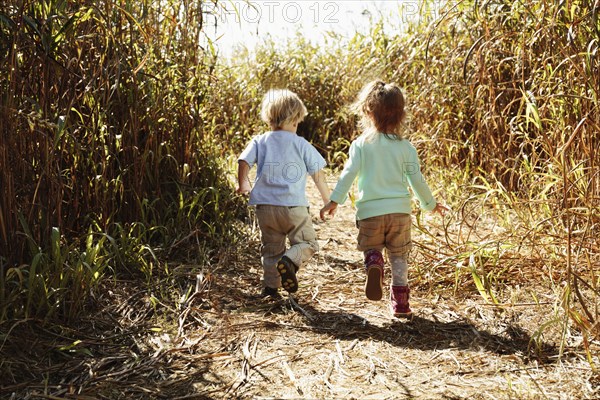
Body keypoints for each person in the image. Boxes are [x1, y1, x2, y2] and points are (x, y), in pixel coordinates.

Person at [320, 80, 447, 318]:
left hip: (370, 213)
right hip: (400, 213)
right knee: (399, 257)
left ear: (367, 111)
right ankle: (401, 304)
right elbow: (416, 180)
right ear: (401, 114)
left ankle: (374, 260)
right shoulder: (406, 148)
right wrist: (430, 204)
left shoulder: (361, 145)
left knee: (372, 246)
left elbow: (348, 174)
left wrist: (334, 200)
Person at [237, 89, 330, 299]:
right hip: (293, 207)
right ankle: (290, 261)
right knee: (307, 244)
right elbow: (318, 174)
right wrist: (327, 201)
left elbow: (244, 161)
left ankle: (271, 289)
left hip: (265, 209)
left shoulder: (259, 141)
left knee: (271, 248)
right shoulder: (300, 143)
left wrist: (243, 184)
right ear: (295, 119)